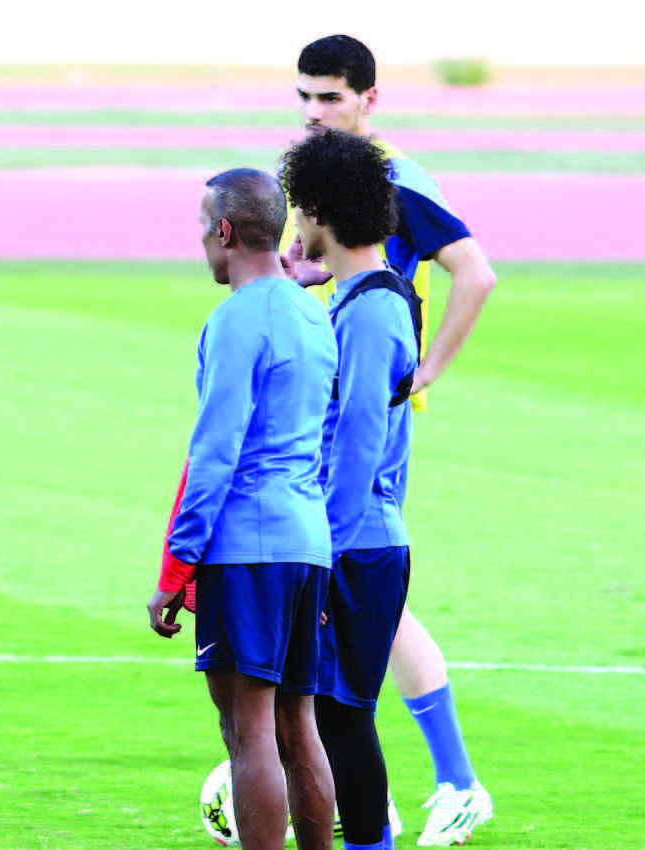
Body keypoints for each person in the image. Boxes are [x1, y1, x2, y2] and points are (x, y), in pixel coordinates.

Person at [285, 37, 499, 844]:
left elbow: (474, 272)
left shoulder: (391, 179)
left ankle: (442, 784)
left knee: (363, 589)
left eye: (330, 98)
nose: (314, 112)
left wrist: (426, 372)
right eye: (304, 96)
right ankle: (416, 786)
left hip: (366, 411)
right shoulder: (320, 177)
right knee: (376, 607)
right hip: (341, 392)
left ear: (367, 99)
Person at [149, 168, 338, 850]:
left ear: (224, 231)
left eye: (203, 226)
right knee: (298, 725)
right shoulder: (312, 316)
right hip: (306, 542)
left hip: (247, 548)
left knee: (248, 731)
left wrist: (176, 570)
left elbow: (214, 454)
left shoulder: (233, 321)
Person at [282, 128, 422, 850]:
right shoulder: (363, 297)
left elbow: (360, 443)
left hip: (355, 544)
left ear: (316, 211)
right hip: (358, 540)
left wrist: (322, 555)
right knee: (329, 715)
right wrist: (303, 289)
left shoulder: (370, 312)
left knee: (341, 716)